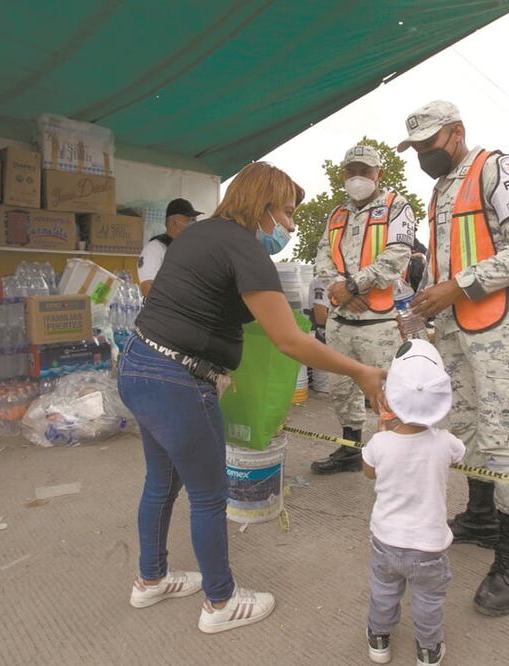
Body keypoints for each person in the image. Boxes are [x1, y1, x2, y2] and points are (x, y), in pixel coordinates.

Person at [118, 161, 385, 634]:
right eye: (284, 213)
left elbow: (216, 306)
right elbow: (288, 340)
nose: (288, 225)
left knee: (162, 481)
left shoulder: (197, 235)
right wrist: (361, 371)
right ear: (261, 207)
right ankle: (220, 602)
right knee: (209, 494)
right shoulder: (245, 248)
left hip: (138, 366)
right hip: (178, 381)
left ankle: (151, 578)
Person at [398, 100, 509, 616]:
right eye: (414, 149)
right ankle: (481, 516)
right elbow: (443, 262)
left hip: (498, 320)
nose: (422, 156)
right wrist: (422, 312)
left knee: (504, 432)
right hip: (455, 327)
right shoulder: (441, 188)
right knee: (465, 425)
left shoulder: (497, 169)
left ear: (456, 133)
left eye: (428, 146)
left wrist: (456, 288)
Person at [311, 145, 416, 475]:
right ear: (344, 174)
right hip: (341, 319)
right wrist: (341, 292)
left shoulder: (397, 207)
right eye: (352, 171)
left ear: (378, 174)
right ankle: (350, 451)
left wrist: (353, 285)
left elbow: (397, 256)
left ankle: (395, 455)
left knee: (387, 392)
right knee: (342, 391)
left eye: (365, 171)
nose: (358, 177)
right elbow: (322, 259)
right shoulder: (336, 214)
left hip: (379, 323)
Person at [362, 339, 463, 666]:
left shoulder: (380, 443)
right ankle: (428, 650)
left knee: (384, 592)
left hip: (386, 540)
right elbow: (459, 458)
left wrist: (382, 426)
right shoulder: (445, 442)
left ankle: (378, 639)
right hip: (429, 546)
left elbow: (368, 472)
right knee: (428, 600)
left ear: (391, 397)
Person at [137, 198, 202, 296]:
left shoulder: (189, 249)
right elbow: (147, 287)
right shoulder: (154, 249)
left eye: (195, 221)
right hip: (164, 309)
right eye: (190, 220)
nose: (194, 225)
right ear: (174, 222)